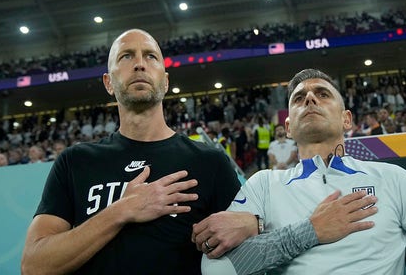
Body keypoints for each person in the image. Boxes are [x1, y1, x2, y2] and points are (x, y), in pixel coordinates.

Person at [197, 69, 406, 275]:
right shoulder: (263, 184)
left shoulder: (391, 178)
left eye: (322, 94)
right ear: (288, 128)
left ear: (347, 119)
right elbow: (217, 268)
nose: (309, 99)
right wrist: (310, 231)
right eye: (299, 99)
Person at [21, 29, 242, 274]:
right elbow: (34, 265)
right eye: (126, 56)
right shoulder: (75, 162)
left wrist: (254, 224)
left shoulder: (210, 162)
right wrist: (122, 210)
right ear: (108, 83)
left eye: (150, 56)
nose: (139, 64)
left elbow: (245, 246)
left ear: (166, 81)